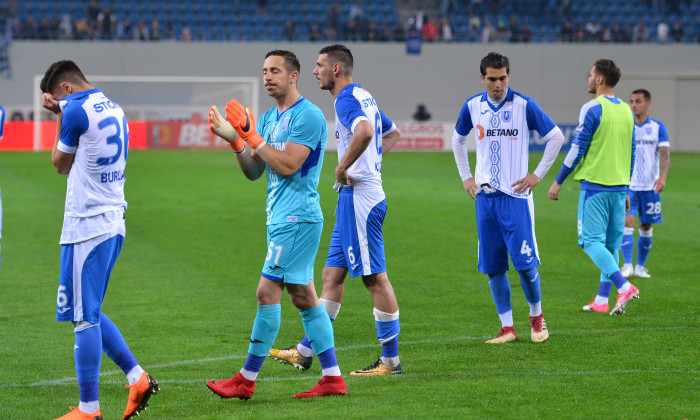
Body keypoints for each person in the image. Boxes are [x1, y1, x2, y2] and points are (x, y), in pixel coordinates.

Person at [205, 50, 346, 399]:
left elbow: (287, 165)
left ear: (294, 76)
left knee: (266, 292)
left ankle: (246, 380)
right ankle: (332, 378)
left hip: (297, 219)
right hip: (281, 219)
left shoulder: (309, 117)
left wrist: (252, 137)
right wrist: (236, 141)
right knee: (304, 297)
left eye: (275, 71)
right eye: (265, 71)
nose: (268, 77)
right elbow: (256, 171)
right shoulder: (267, 119)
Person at [269, 44, 403, 375]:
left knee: (375, 279)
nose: (315, 71)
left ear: (336, 70)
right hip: (352, 197)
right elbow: (393, 133)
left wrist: (346, 166)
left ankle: (390, 361)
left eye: (319, 66)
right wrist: (369, 162)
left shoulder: (345, 99)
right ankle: (304, 351)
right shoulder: (363, 95)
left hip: (360, 197)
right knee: (331, 276)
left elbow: (367, 132)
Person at [40, 60, 159, 420]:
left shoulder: (74, 110)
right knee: (85, 308)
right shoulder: (113, 105)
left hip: (88, 224)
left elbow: (59, 164)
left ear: (64, 88)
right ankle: (137, 378)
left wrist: (59, 115)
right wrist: (64, 110)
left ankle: (89, 409)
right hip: (111, 219)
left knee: (84, 317)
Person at [452, 52, 563, 344]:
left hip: (516, 198)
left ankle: (537, 319)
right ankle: (507, 328)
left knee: (526, 265)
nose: (498, 84)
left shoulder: (524, 105)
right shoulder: (473, 106)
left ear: (508, 76)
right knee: (493, 266)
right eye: (492, 79)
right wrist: (466, 176)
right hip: (485, 199)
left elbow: (556, 137)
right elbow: (458, 139)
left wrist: (537, 175)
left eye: (502, 78)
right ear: (483, 79)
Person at [548, 59, 639, 316]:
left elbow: (577, 148)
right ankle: (601, 299)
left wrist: (558, 180)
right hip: (620, 188)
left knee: (589, 242)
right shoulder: (626, 111)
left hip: (596, 186)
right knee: (610, 246)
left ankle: (624, 286)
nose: (588, 79)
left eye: (590, 75)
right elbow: (632, 153)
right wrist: (628, 187)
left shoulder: (591, 108)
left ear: (599, 79)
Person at [620, 89, 670, 279]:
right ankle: (627, 265)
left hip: (650, 186)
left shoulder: (658, 127)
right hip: (630, 185)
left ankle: (640, 266)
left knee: (646, 226)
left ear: (647, 103)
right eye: (631, 101)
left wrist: (663, 176)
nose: (633, 105)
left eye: (638, 101)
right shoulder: (627, 126)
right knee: (627, 221)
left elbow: (665, 156)